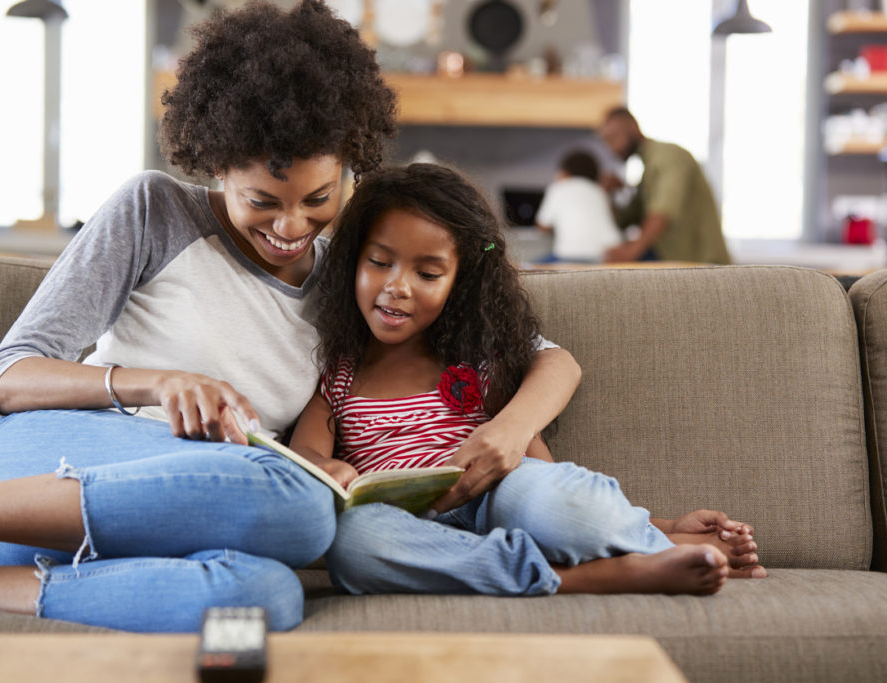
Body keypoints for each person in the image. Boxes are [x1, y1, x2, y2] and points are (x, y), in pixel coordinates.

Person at [0, 2, 580, 633]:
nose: (290, 227)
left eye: (318, 200)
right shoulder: (155, 211)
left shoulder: (355, 281)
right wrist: (153, 383)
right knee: (299, 505)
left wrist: (510, 430)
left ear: (349, 169)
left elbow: (547, 357)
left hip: (187, 516)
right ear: (216, 164)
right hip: (30, 480)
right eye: (262, 201)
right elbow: (2, 378)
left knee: (269, 595)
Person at [288, 163, 766, 598]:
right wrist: (325, 469)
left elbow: (542, 477)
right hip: (408, 527)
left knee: (554, 503)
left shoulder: (473, 361)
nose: (397, 286)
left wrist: (661, 520)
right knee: (354, 544)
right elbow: (307, 451)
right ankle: (586, 576)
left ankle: (654, 540)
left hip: (497, 499)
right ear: (352, 260)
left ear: (460, 281)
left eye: (428, 273)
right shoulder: (339, 375)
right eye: (379, 263)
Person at [598, 107, 732, 265]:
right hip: (677, 263)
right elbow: (623, 221)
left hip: (704, 265)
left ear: (632, 126)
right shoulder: (647, 173)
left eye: (613, 137)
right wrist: (608, 194)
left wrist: (631, 251)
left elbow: (663, 210)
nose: (611, 147)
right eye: (606, 141)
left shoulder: (668, 156)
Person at [533, 149, 623, 264]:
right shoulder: (598, 190)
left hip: (571, 254)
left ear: (565, 173)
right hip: (608, 253)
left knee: (529, 266)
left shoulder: (558, 188)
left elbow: (542, 227)